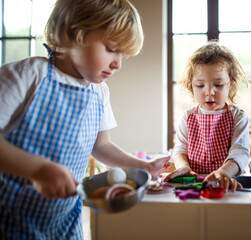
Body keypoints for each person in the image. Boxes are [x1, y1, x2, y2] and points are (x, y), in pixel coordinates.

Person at [0, 0, 169, 238]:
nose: (118, 63)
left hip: (64, 224)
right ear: (74, 33)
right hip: (10, 221)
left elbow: (101, 146)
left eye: (123, 54)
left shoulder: (99, 92)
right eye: (111, 49)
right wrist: (39, 170)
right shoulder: (28, 76)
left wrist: (143, 166)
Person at [164, 41, 250, 192]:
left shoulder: (238, 117)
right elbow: (180, 149)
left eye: (218, 85)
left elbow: (240, 152)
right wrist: (183, 167)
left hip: (228, 183)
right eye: (200, 86)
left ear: (231, 84)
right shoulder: (188, 116)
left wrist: (223, 172)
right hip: (195, 184)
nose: (209, 92)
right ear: (191, 86)